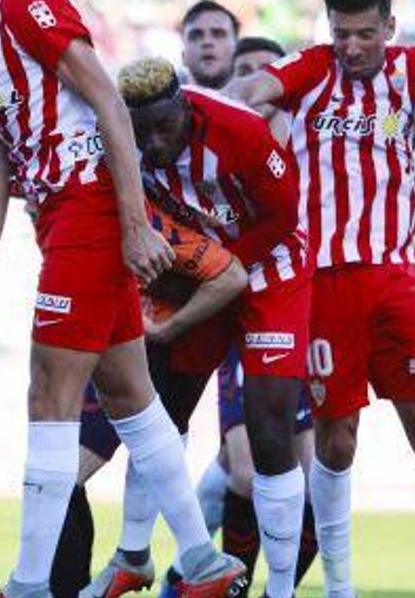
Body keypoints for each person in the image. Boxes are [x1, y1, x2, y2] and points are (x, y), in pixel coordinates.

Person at [0, 0, 244, 598]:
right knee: (130, 394)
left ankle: (31, 586)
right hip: (59, 217)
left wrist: (133, 225)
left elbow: (105, 96)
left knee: (48, 391)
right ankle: (201, 564)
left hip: (88, 208)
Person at [231, 0, 415, 598]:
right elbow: (249, 93)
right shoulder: (311, 67)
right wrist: (247, 106)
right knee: (337, 437)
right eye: (341, 33)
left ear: (389, 28)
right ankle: (339, 587)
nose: (351, 47)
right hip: (321, 283)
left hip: (396, 280)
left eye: (364, 35)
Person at [105, 57, 311, 598]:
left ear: (185, 108)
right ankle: (132, 554)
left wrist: (223, 264)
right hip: (199, 276)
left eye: (162, 127)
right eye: (140, 130)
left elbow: (286, 213)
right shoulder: (121, 140)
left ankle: (281, 590)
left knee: (269, 430)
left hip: (272, 271)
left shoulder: (236, 127)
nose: (152, 142)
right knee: (162, 415)